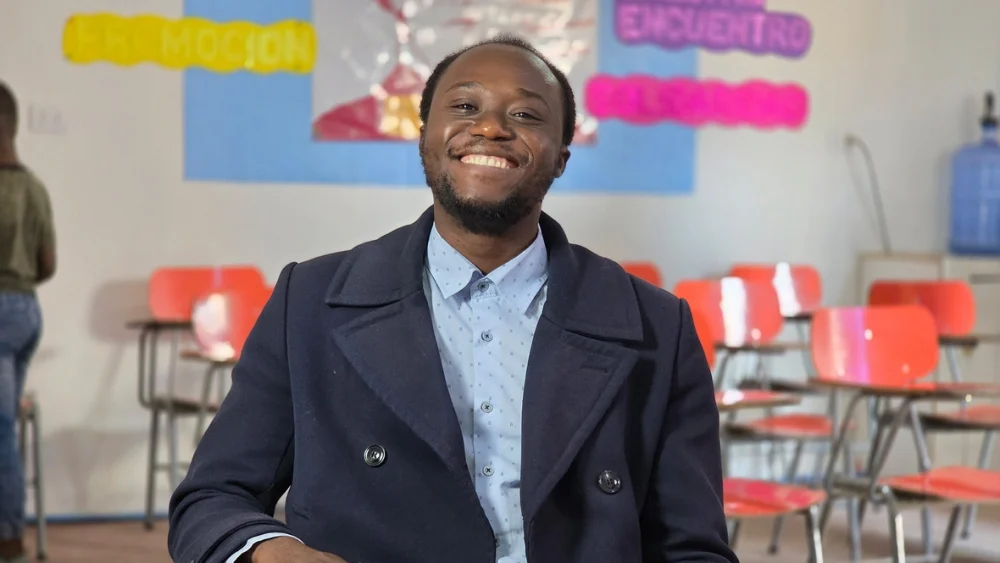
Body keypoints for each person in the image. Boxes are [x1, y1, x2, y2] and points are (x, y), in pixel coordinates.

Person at [168, 35, 737, 563]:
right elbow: (211, 499)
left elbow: (693, 547)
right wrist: (274, 552)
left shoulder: (658, 325)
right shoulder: (309, 302)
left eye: (525, 115)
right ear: (423, 139)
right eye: (465, 107)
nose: (491, 128)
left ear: (562, 156)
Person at [0, 80, 56, 563]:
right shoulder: (34, 187)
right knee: (4, 424)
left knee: (0, 429)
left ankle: (8, 537)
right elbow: (48, 264)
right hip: (25, 312)